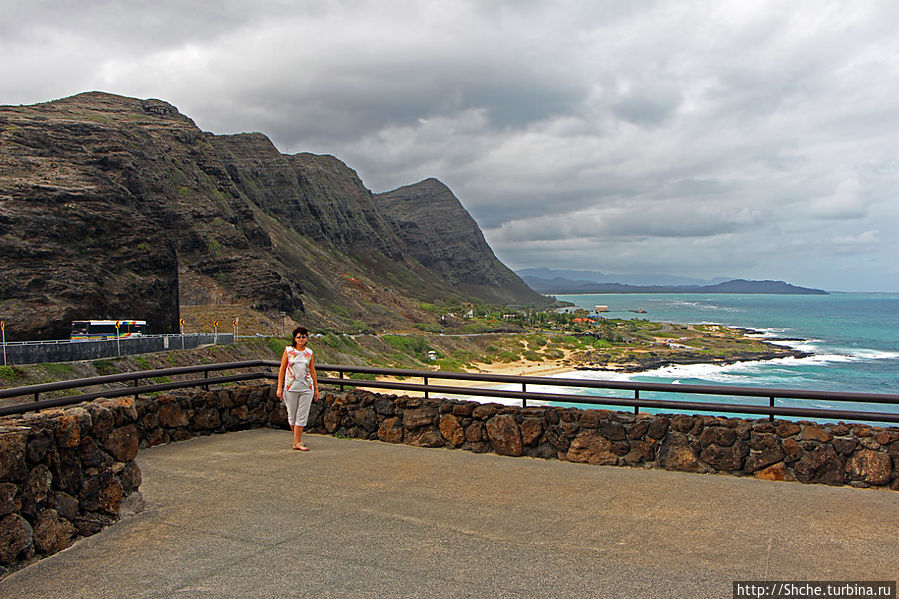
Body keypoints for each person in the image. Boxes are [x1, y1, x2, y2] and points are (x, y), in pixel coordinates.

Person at [276, 326, 319, 450]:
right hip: (290, 387)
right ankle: (297, 440)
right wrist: (279, 387)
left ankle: (297, 442)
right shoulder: (288, 351)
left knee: (302, 415)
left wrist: (316, 388)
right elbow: (282, 369)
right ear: (294, 338)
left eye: (303, 336)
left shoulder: (309, 353)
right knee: (292, 415)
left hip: (306, 387)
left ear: (306, 339)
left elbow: (312, 370)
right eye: (299, 337)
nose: (301, 339)